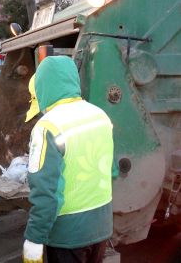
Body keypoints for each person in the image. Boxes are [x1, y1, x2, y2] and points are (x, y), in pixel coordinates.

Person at [23, 56, 114, 263]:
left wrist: (34, 239)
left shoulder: (47, 126)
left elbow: (46, 194)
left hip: (68, 235)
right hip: (101, 227)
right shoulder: (100, 116)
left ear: (43, 88)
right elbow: (111, 170)